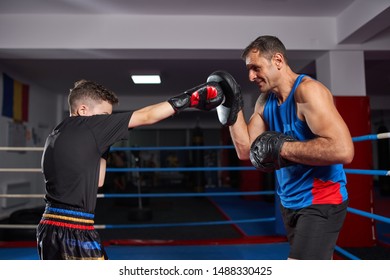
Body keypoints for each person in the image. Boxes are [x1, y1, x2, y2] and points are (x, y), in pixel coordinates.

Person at [37, 78, 225, 260]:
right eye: (104, 117)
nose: (107, 122)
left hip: (48, 228)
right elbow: (147, 116)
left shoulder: (56, 134)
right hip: (74, 229)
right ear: (83, 110)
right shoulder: (90, 126)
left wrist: (107, 142)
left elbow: (99, 181)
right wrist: (192, 98)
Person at [213, 35, 354, 259]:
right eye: (249, 70)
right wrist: (232, 106)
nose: (251, 76)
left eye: (255, 68)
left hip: (321, 200)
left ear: (278, 60)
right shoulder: (264, 101)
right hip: (289, 202)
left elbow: (343, 150)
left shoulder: (308, 92)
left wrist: (282, 149)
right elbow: (246, 150)